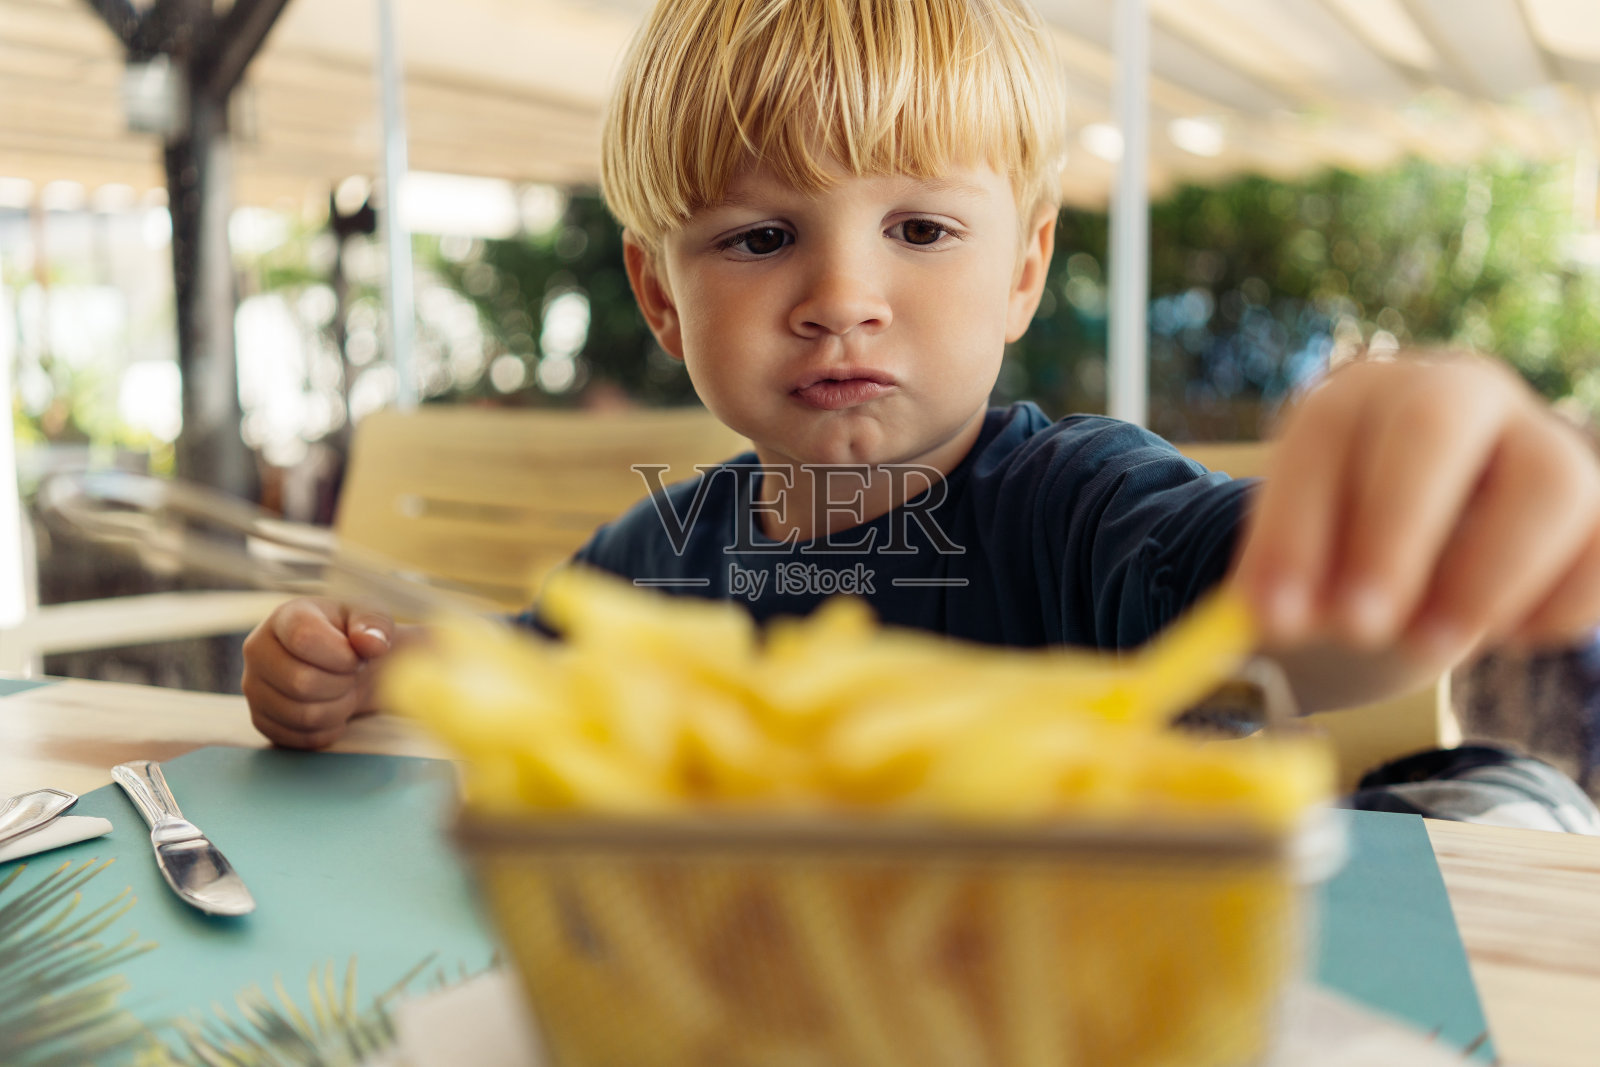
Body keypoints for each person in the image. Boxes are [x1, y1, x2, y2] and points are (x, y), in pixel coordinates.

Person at [242, 0, 1600, 755]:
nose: (840, 299)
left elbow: (1300, 629)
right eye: (760, 237)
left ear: (1023, 269)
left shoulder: (1083, 508)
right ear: (663, 295)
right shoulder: (654, 555)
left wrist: (1423, 518)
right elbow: (527, 676)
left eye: (923, 230)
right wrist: (374, 676)